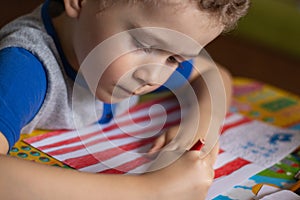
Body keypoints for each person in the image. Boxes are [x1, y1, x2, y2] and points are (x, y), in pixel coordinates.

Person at [0, 0, 249, 199]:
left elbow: (214, 75)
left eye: (174, 60)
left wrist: (198, 131)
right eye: (145, 45)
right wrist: (150, 191)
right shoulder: (24, 67)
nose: (153, 76)